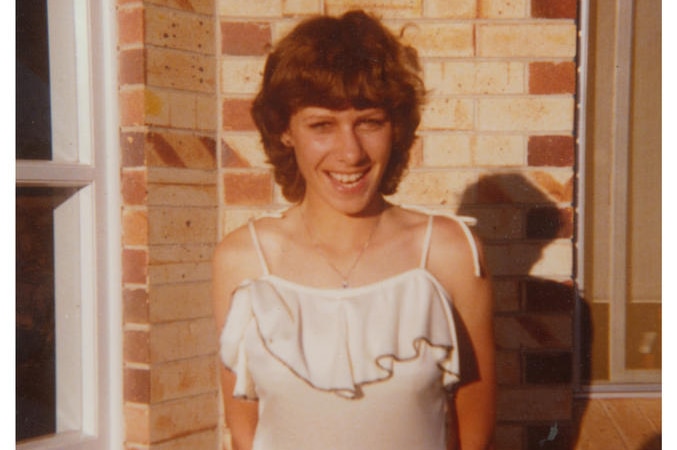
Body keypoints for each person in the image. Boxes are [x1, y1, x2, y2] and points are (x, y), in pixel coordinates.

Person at [212, 10, 496, 450]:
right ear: (285, 131)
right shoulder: (242, 260)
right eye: (322, 125)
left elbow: (473, 430)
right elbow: (244, 430)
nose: (350, 152)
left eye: (369, 122)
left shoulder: (449, 251)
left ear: (395, 127)